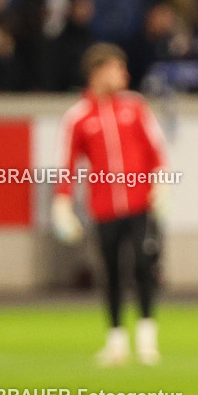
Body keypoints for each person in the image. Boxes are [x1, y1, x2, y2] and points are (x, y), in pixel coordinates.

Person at [52, 44, 169, 366]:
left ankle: (147, 339)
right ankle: (116, 341)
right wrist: (62, 204)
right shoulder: (78, 116)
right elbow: (67, 165)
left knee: (145, 266)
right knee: (111, 272)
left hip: (139, 203)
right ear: (98, 71)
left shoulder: (136, 107)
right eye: (118, 68)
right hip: (103, 208)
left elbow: (156, 151)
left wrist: (160, 186)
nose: (124, 75)